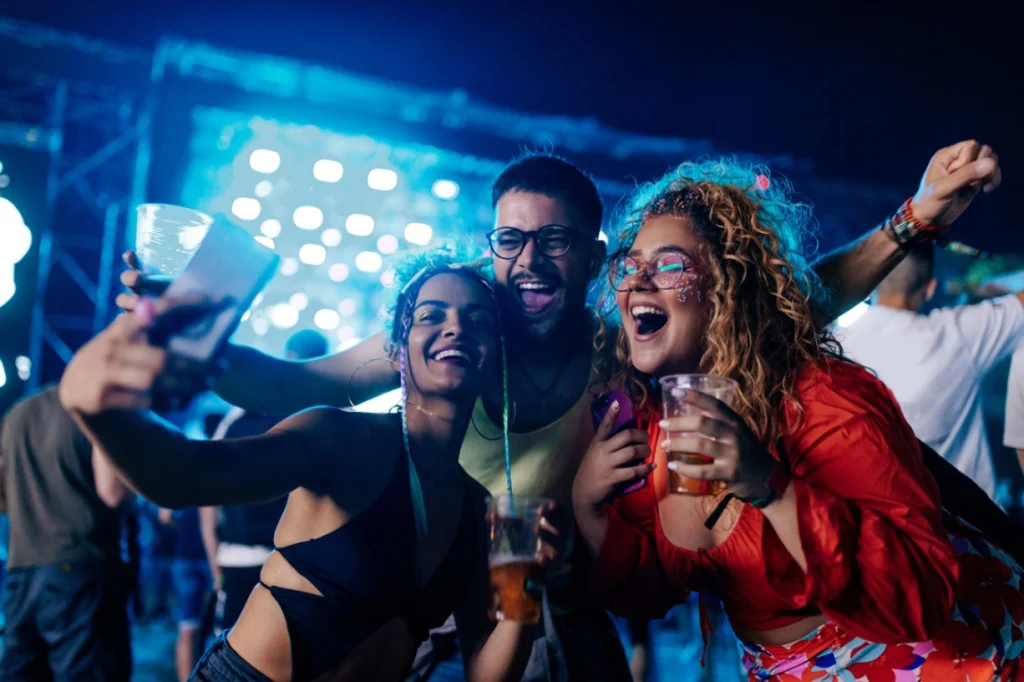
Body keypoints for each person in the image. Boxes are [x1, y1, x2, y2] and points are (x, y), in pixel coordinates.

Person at [113, 141, 1006, 681]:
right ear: (491, 245)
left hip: (560, 614)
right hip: (439, 614)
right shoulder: (456, 334)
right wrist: (177, 332)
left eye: (554, 242)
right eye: (510, 239)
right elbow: (294, 387)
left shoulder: (619, 346)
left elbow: (783, 299)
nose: (529, 260)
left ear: (591, 256)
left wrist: (913, 221)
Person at [572, 157, 1024, 680]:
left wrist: (769, 486)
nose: (638, 283)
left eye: (670, 265)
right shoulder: (660, 427)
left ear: (728, 289)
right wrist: (591, 508)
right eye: (630, 266)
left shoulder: (821, 397)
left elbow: (919, 596)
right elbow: (656, 586)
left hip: (945, 663)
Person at [60, 254, 563, 682]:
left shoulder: (483, 509)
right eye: (431, 316)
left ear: (496, 352)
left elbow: (485, 672)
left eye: (478, 320)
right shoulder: (337, 438)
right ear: (395, 350)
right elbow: (185, 475)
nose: (456, 326)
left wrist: (525, 591)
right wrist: (100, 412)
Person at [840, 238, 1024, 501]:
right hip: (970, 532)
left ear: (871, 286)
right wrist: (993, 285)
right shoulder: (958, 335)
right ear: (929, 288)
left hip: (881, 526)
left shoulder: (835, 343)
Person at [201, 328, 330, 636]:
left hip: (237, 556)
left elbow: (207, 494)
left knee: (231, 654)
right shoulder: (321, 417)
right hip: (297, 563)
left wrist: (214, 559)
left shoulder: (238, 416)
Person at [0, 385, 133, 681]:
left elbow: (2, 501)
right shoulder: (95, 408)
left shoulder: (17, 415)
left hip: (21, 571)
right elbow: (112, 492)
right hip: (81, 568)